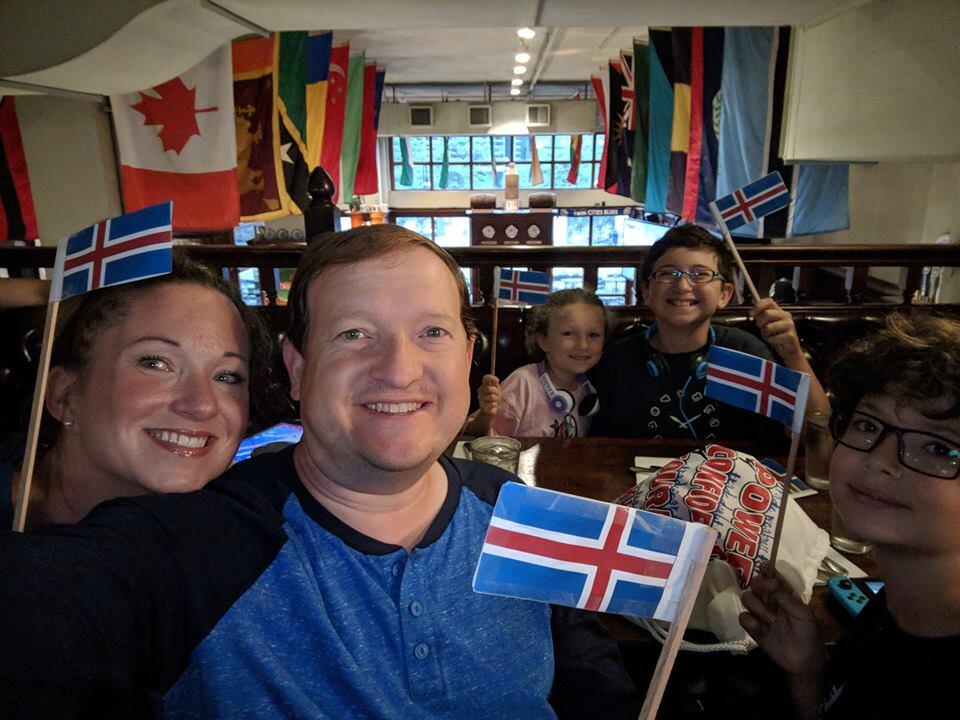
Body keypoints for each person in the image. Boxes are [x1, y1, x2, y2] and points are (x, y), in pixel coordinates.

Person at [0, 225, 638, 719]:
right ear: (298, 368)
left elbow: (593, 681)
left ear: (469, 357)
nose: (398, 368)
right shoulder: (201, 540)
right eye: (355, 334)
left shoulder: (512, 506)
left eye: (432, 332)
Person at [738, 314, 960, 719]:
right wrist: (808, 670)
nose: (879, 461)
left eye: (939, 448)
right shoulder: (888, 613)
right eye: (867, 424)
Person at [1, 255, 279, 530]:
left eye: (227, 376)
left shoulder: (244, 535)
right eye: (156, 363)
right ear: (64, 395)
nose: (203, 405)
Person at [589, 223, 829, 442]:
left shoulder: (745, 351)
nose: (682, 286)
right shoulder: (617, 359)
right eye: (667, 274)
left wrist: (793, 354)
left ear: (725, 295)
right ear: (647, 292)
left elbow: (815, 429)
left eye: (700, 274)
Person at [465, 288, 607, 438]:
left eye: (593, 335)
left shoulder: (590, 389)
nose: (583, 345)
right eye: (568, 334)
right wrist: (486, 416)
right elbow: (473, 438)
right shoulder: (523, 383)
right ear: (542, 340)